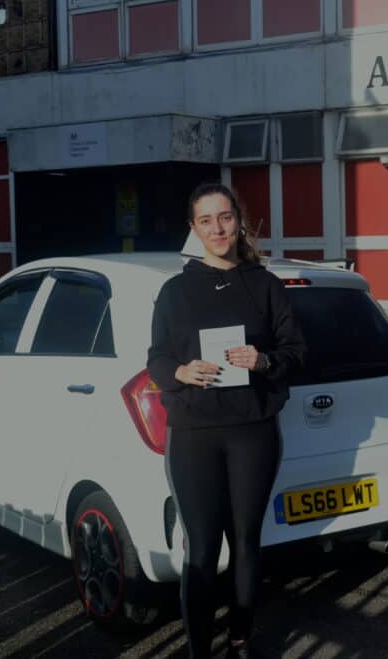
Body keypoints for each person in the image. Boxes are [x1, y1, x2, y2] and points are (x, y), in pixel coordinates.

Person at [147, 183, 306, 659]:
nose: (217, 228)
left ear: (239, 220)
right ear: (193, 229)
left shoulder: (265, 285)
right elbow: (156, 358)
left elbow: (296, 353)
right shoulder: (174, 292)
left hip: (253, 432)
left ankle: (240, 638)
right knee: (200, 549)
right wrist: (179, 371)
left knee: (245, 542)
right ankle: (199, 650)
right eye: (206, 220)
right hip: (194, 434)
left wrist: (262, 361)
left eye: (224, 217)